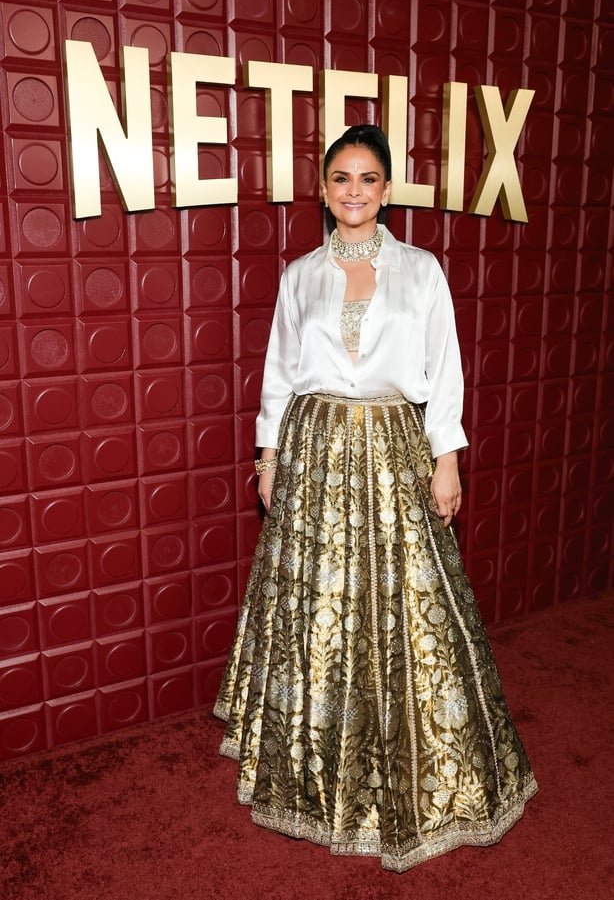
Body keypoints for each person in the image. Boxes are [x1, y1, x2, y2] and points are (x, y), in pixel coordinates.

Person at [214, 124, 537, 872]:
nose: (353, 191)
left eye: (366, 178)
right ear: (324, 191)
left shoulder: (421, 271)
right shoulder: (300, 275)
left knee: (407, 602)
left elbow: (445, 371)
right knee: (315, 604)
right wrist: (268, 455)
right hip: (315, 446)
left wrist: (447, 460)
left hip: (397, 443)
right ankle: (313, 763)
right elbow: (279, 372)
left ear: (386, 189)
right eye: (339, 179)